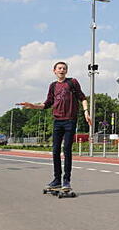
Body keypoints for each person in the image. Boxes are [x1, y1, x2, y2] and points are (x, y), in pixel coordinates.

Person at [18, 62, 91, 190]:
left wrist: (86, 112)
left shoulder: (72, 82)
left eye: (64, 68)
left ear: (66, 71)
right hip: (57, 121)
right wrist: (33, 106)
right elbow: (47, 104)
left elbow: (83, 98)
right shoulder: (53, 86)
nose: (62, 70)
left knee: (67, 150)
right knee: (55, 151)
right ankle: (57, 179)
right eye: (59, 68)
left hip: (70, 120)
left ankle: (66, 180)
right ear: (54, 71)